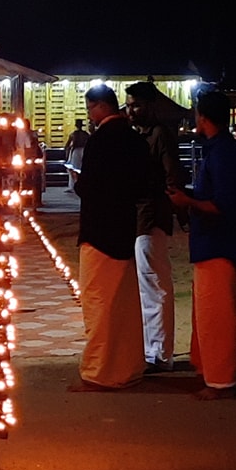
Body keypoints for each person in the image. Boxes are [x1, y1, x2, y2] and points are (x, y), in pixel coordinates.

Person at [169, 88, 236, 399]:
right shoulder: (219, 149)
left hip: (219, 242)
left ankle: (222, 380)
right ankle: (209, 370)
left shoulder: (224, 152)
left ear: (202, 117)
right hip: (211, 243)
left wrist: (187, 199)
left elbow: (222, 205)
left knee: (218, 315)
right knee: (207, 312)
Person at [68, 85, 147, 391]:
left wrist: (78, 182)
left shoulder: (101, 140)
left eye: (90, 109)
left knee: (99, 302)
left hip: (100, 230)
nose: (89, 116)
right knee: (124, 303)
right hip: (124, 227)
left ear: (100, 107)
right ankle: (128, 365)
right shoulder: (133, 138)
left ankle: (100, 370)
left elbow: (91, 187)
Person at [125, 81, 185, 371]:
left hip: (151, 216)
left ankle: (160, 354)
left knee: (154, 285)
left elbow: (172, 177)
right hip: (140, 217)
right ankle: (152, 350)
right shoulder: (139, 136)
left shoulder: (160, 135)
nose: (130, 110)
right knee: (145, 285)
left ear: (149, 106)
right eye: (128, 105)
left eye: (135, 105)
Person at [63, 119, 89, 192]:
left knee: (74, 169)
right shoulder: (86, 134)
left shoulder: (74, 134)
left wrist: (67, 153)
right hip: (84, 150)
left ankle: (73, 186)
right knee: (82, 169)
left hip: (76, 151)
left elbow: (67, 145)